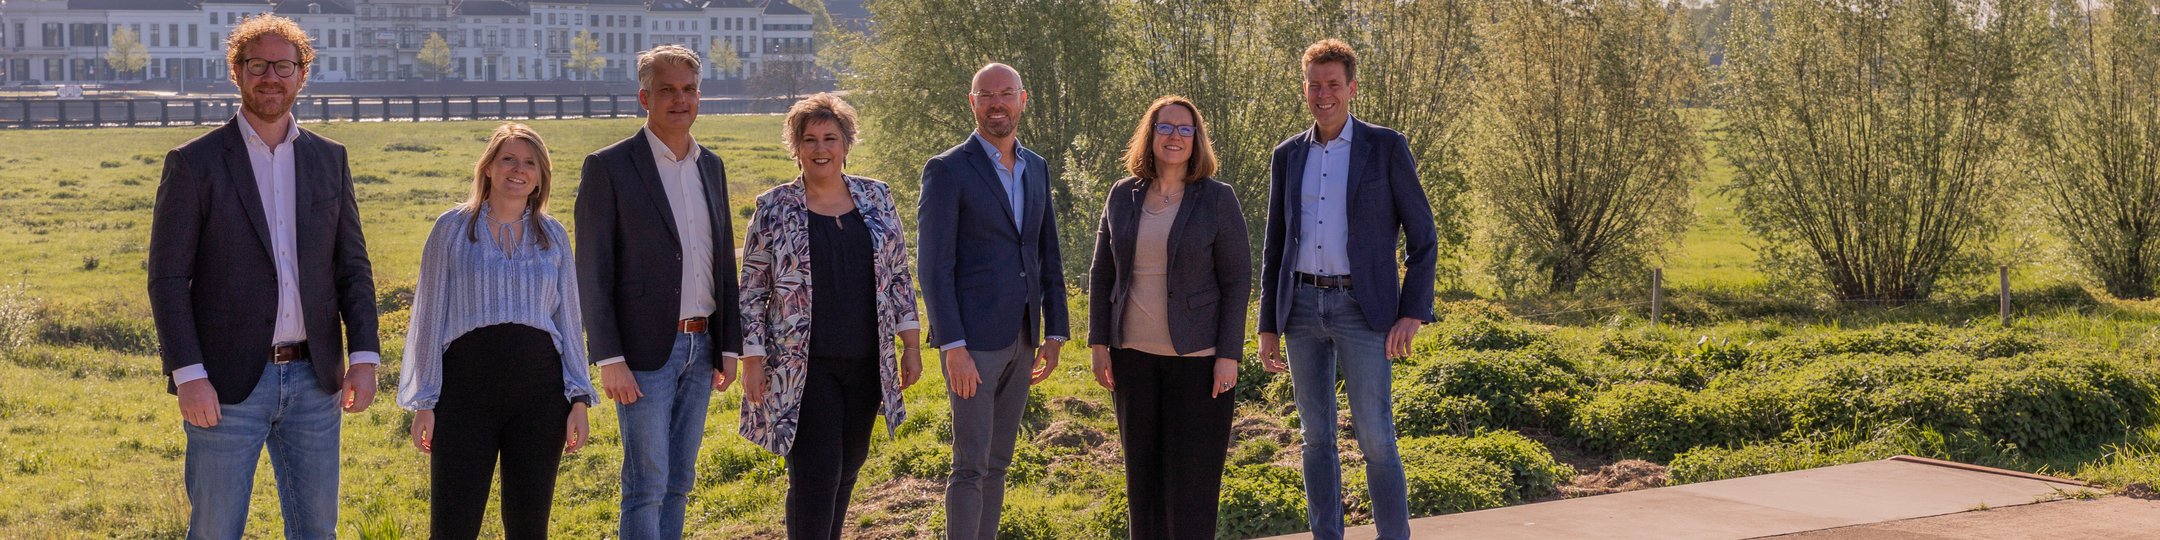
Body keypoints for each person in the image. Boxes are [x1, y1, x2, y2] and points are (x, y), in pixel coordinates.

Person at [147, 14, 380, 539]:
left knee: (317, 530)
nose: (270, 77)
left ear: (303, 73)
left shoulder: (329, 159)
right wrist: (189, 376)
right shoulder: (194, 163)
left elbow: (353, 267)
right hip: (225, 387)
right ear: (236, 72)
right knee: (214, 530)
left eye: (283, 66)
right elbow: (166, 280)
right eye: (257, 65)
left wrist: (364, 358)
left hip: (316, 381)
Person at [1255, 39, 1439, 540]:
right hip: (1300, 309)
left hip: (1365, 309)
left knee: (1376, 437)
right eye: (1314, 85)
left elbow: (1423, 237)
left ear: (1351, 88)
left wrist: (1412, 313)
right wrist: (1267, 324)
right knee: (1316, 440)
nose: (1323, 94)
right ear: (1305, 89)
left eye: (1333, 84)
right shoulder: (1287, 155)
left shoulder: (1386, 147)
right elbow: (1275, 245)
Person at [736, 93, 926, 540]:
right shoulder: (774, 207)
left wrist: (912, 344)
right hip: (803, 365)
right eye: (809, 139)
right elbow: (750, 291)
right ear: (796, 146)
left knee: (848, 466)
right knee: (817, 472)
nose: (820, 148)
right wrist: (751, 359)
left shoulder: (877, 198)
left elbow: (899, 273)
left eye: (830, 138)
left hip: (866, 361)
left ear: (846, 144)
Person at [574, 44, 742, 540]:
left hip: (703, 344)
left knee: (680, 481)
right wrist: (609, 358)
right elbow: (593, 271)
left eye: (689, 90)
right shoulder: (609, 167)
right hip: (645, 353)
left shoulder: (710, 166)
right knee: (646, 483)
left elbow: (723, 263)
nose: (679, 99)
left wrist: (728, 344)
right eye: (667, 90)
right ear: (643, 97)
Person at [398, 123, 596, 539]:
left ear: (541, 176)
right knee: (453, 526)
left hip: (540, 400)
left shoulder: (553, 235)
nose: (518, 170)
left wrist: (578, 396)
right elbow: (429, 316)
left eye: (529, 163)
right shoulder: (450, 229)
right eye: (508, 159)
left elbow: (569, 321)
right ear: (488, 167)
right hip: (464, 397)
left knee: (529, 527)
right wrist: (425, 401)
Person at [916, 62, 1071, 540]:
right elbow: (933, 267)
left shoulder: (1036, 167)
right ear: (973, 102)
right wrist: (953, 346)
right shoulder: (947, 170)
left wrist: (1055, 332)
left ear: (1023, 100)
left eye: (1006, 93)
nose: (997, 103)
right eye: (987, 95)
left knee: (999, 462)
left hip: (1024, 337)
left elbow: (1047, 253)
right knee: (969, 465)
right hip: (973, 346)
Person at [1085, 96, 1251, 540]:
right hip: (1131, 357)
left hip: (1199, 359)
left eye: (1184, 129)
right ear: (1150, 134)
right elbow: (1102, 273)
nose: (1174, 137)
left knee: (1193, 484)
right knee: (1143, 482)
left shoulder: (1218, 199)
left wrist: (1228, 355)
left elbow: (1237, 281)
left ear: (1196, 139)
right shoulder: (1122, 195)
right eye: (1165, 128)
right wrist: (1099, 344)